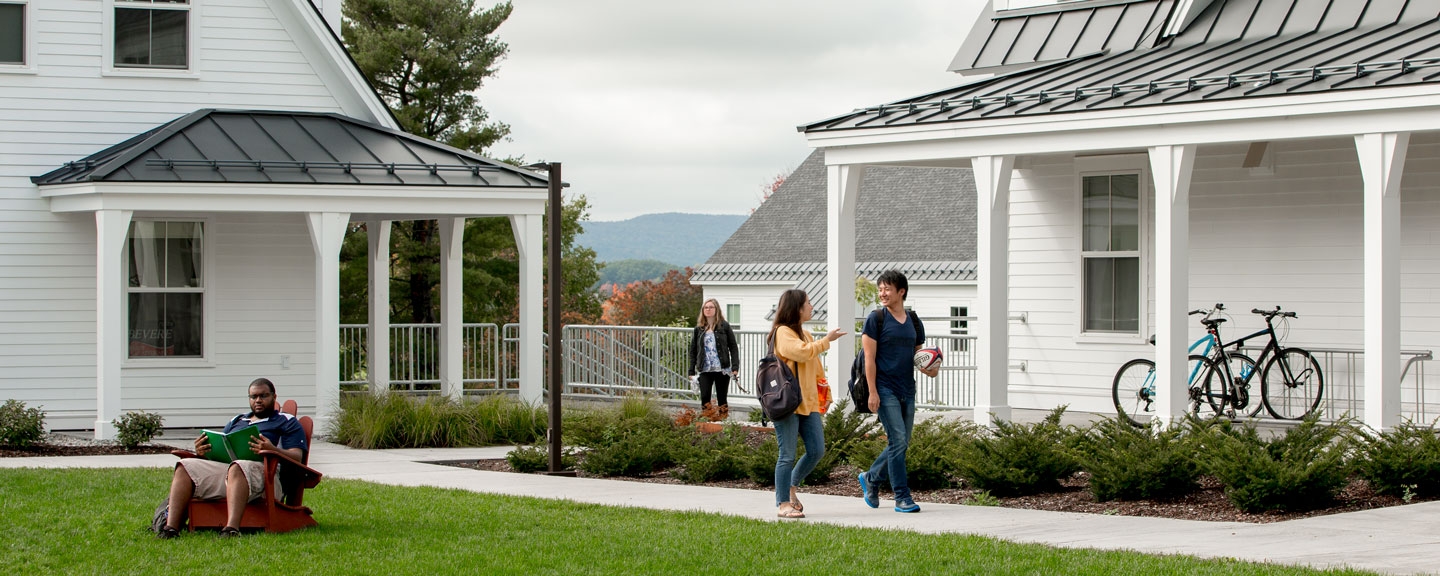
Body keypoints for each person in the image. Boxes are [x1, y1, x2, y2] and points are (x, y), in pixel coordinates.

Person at [157, 377, 307, 538]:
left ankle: (231, 529)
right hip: (230, 472)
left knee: (238, 466)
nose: (258, 400)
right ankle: (170, 528)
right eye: (253, 397)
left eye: (263, 396)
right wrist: (203, 452)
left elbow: (296, 457)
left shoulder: (286, 421)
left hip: (267, 478)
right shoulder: (238, 420)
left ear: (274, 397)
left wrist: (272, 449)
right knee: (185, 466)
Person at [857, 270, 938, 513]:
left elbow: (918, 357)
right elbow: (868, 359)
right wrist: (872, 392)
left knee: (902, 442)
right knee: (898, 440)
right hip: (884, 388)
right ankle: (902, 497)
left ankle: (871, 478)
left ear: (901, 291)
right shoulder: (876, 318)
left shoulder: (914, 320)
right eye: (880, 289)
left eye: (887, 289)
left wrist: (930, 370)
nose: (882, 293)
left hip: (907, 388)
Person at [770, 288, 846, 518]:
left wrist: (826, 394)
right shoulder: (782, 332)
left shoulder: (808, 335)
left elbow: (815, 370)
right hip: (787, 403)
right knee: (787, 455)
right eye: (808, 303)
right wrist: (827, 341)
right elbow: (801, 353)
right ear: (797, 308)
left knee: (816, 450)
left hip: (808, 404)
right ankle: (783, 503)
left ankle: (792, 486)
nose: (812, 307)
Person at [688, 298, 740, 418]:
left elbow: (733, 347)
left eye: (711, 307)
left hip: (722, 368)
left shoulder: (724, 326)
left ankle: (723, 423)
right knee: (705, 397)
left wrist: (735, 367)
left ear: (716, 310)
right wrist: (691, 371)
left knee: (722, 398)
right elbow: (693, 350)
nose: (708, 310)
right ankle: (707, 422)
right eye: (706, 307)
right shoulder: (699, 329)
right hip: (705, 368)